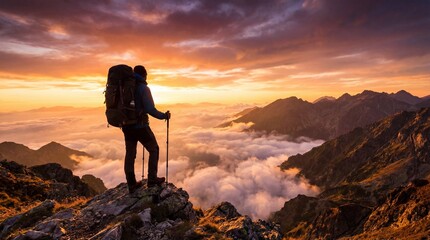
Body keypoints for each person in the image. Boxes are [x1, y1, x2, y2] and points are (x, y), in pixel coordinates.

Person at [122, 65, 170, 194]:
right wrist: (164, 116)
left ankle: (131, 184)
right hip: (140, 127)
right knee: (154, 149)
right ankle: (152, 179)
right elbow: (150, 109)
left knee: (130, 154)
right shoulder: (143, 88)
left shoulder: (124, 87)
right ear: (144, 75)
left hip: (126, 126)